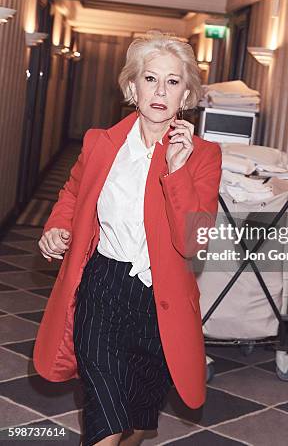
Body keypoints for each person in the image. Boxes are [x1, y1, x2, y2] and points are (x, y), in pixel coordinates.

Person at [33, 35, 222, 446]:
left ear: (186, 94)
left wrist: (177, 170)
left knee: (137, 423)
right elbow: (72, 193)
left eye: (172, 82)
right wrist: (55, 227)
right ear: (132, 88)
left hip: (160, 301)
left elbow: (195, 241)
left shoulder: (204, 156)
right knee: (107, 422)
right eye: (150, 79)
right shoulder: (100, 143)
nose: (159, 91)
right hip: (103, 287)